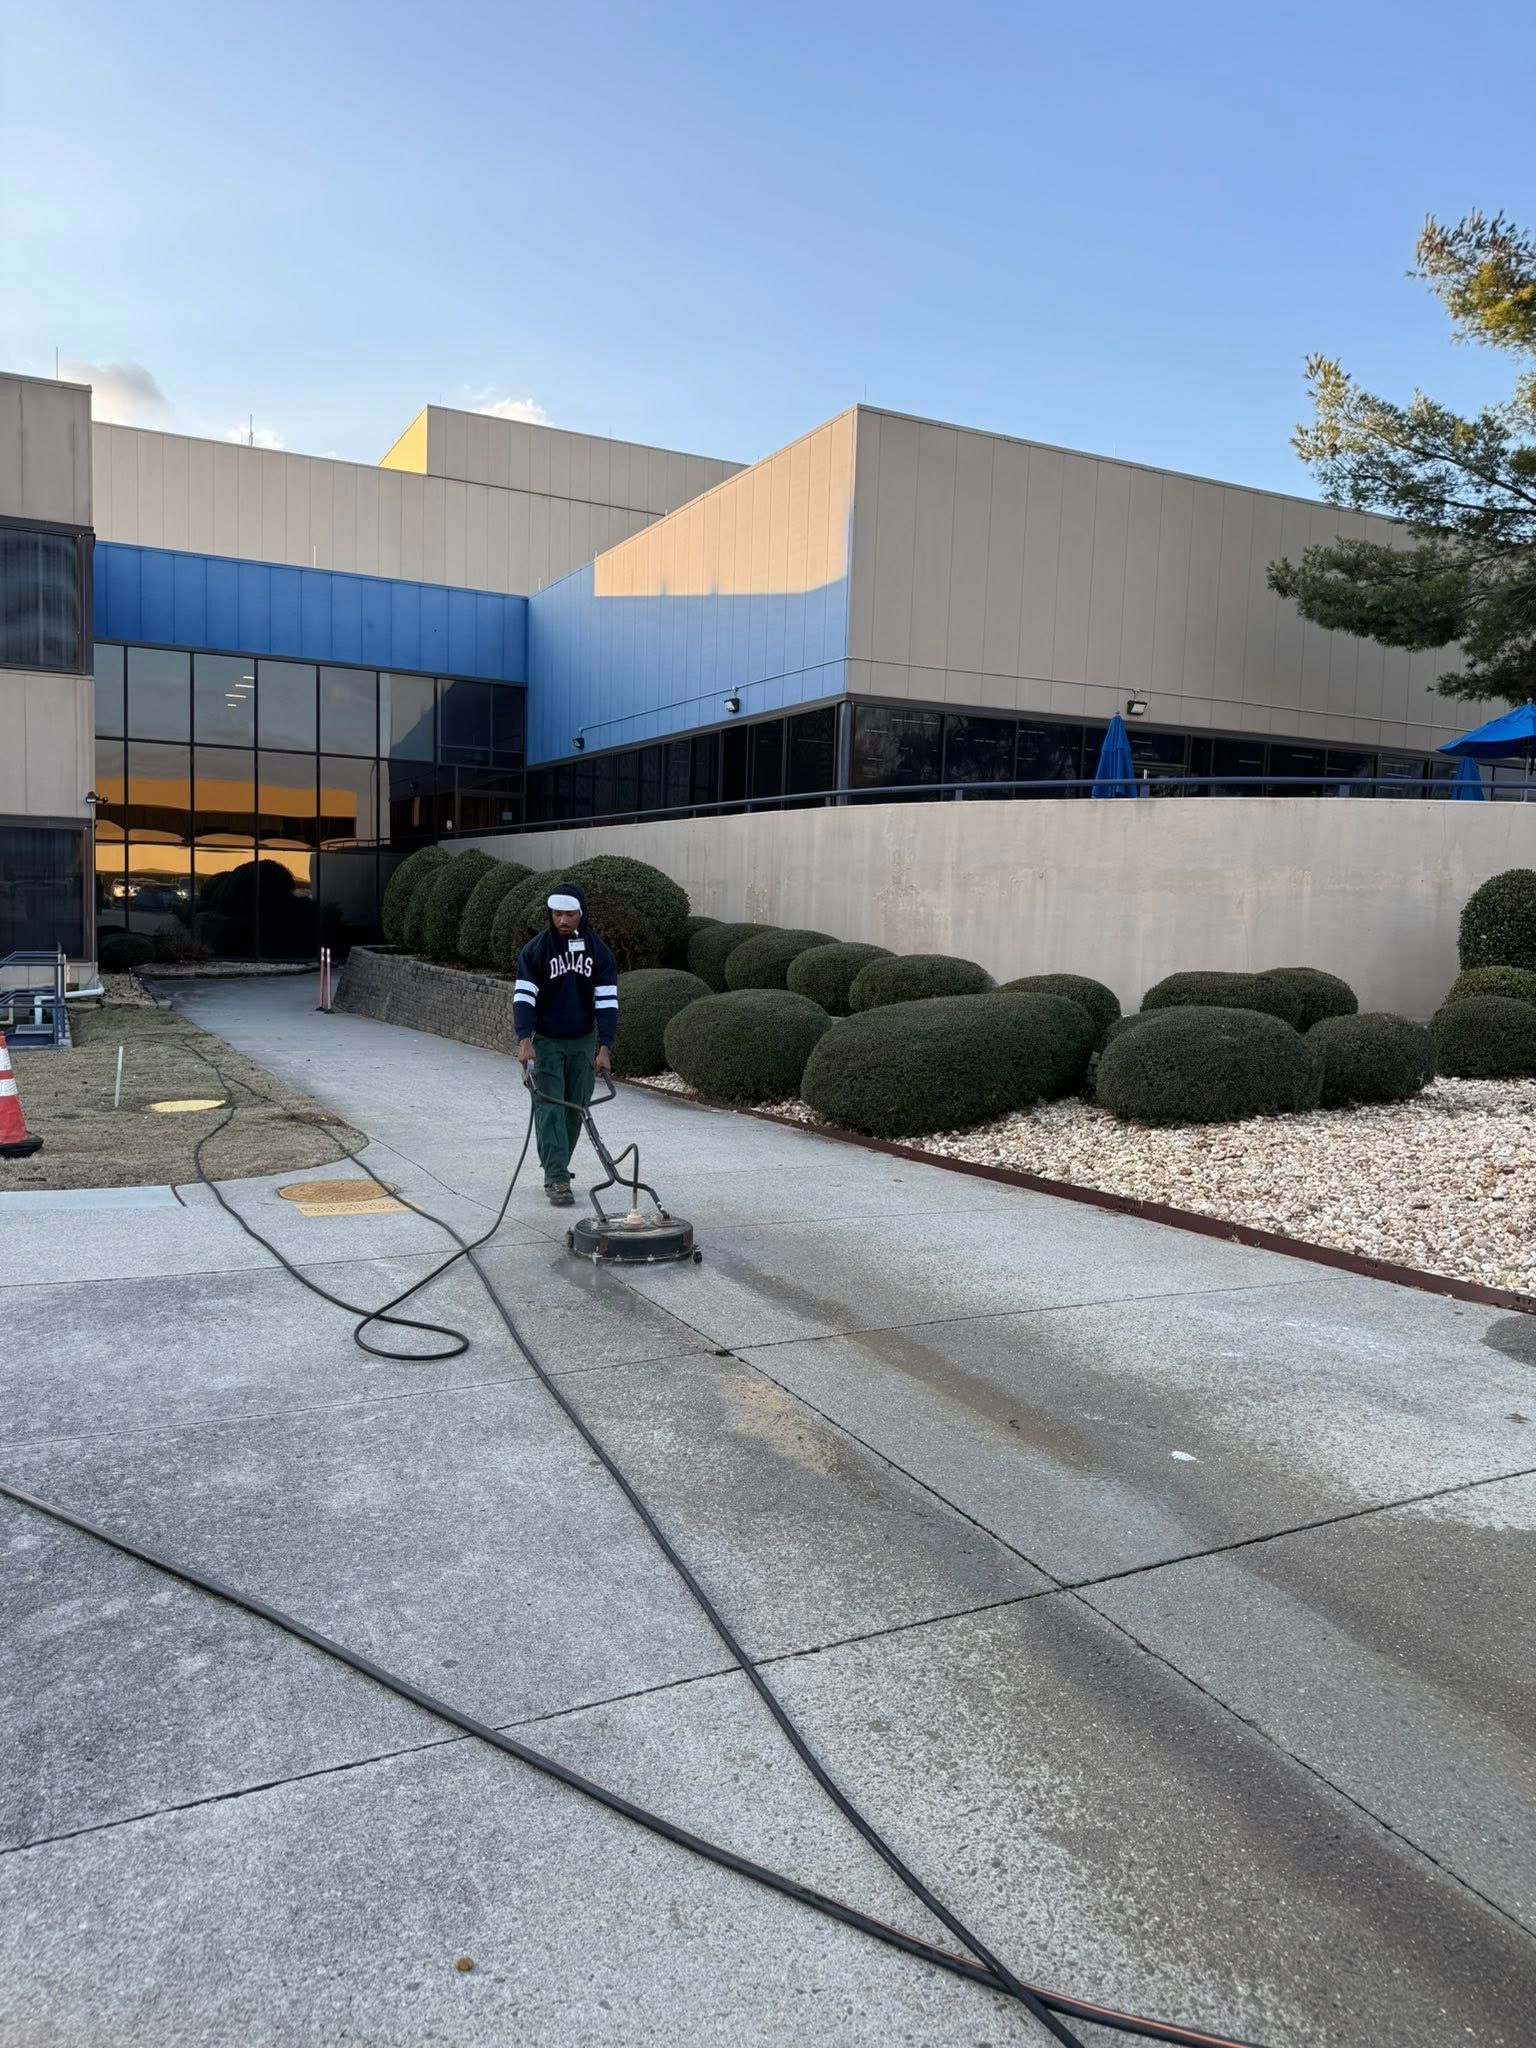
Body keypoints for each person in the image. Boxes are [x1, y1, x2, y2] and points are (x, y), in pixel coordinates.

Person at [512, 882, 619, 1205]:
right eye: (557, 913)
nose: (562, 920)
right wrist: (524, 1039)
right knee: (550, 1107)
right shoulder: (535, 952)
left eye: (569, 914)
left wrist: (605, 1047)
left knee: (576, 1108)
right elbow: (524, 997)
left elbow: (607, 1001)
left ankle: (557, 1164)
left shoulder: (599, 953)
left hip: (582, 1040)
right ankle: (556, 1177)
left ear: (581, 914)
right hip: (546, 1040)